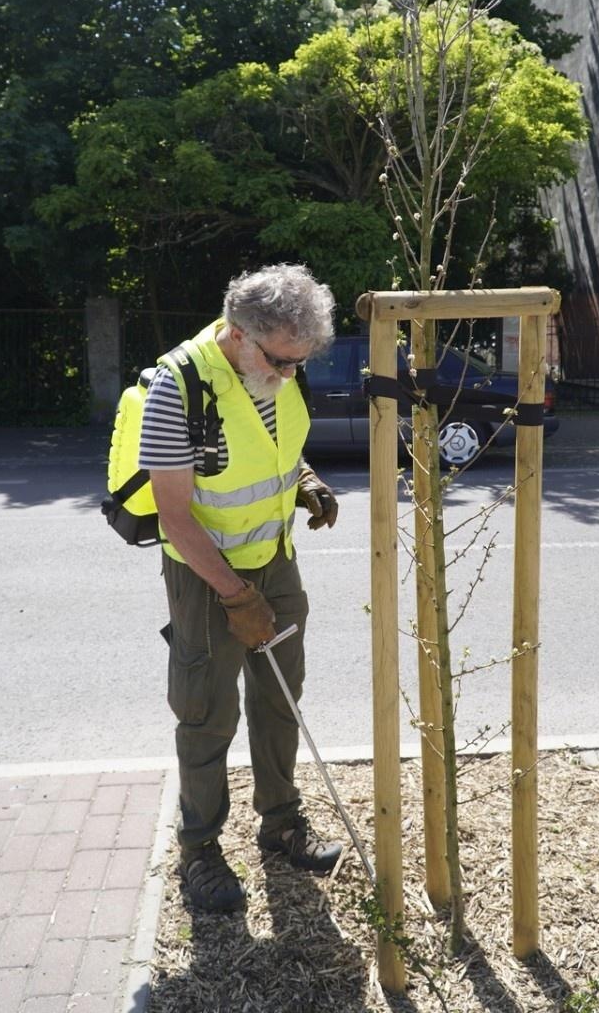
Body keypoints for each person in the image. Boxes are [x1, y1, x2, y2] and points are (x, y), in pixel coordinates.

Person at [139, 262, 342, 912]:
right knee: (206, 712)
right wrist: (234, 594)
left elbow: (271, 443)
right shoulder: (179, 386)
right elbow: (174, 514)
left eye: (298, 365)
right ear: (237, 333)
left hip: (275, 560)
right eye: (281, 362)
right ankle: (199, 849)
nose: (289, 376)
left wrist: (305, 479)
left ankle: (281, 822)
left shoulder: (274, 370)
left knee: (281, 697)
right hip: (206, 575)